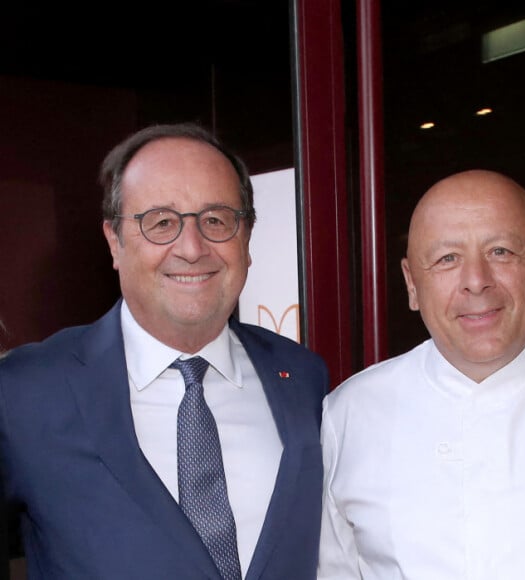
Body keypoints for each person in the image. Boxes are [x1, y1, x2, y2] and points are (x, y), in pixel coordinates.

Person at [0, 123, 329, 579]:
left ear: (247, 239)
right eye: (161, 223)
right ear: (114, 241)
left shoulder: (304, 379)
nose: (192, 248)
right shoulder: (23, 393)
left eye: (216, 220)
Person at [318, 169, 525, 579]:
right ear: (411, 283)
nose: (476, 281)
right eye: (447, 259)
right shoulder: (351, 413)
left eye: (502, 252)